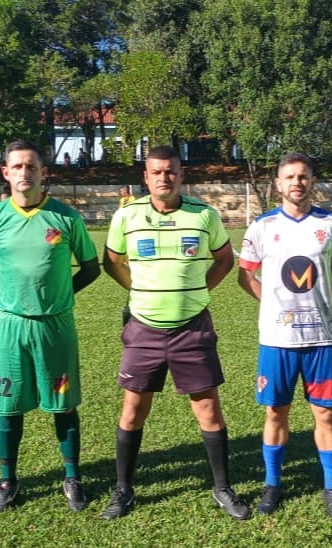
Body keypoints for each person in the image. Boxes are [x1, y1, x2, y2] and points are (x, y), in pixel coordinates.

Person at [100, 145, 251, 521]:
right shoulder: (127, 216)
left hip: (192, 327)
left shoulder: (203, 215)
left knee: (208, 409)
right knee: (133, 409)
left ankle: (222, 488)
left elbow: (224, 259)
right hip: (143, 329)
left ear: (181, 175)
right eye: (156, 172)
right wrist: (138, 291)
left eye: (170, 171)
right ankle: (123, 489)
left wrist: (198, 291)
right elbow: (112, 261)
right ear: (146, 177)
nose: (164, 177)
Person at [0, 141, 100, 515]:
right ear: (5, 173)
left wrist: (58, 296)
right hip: (10, 328)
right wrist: (12, 297)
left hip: (55, 326)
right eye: (17, 166)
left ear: (43, 172)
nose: (24, 172)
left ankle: (72, 477)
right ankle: (7, 482)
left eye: (31, 166)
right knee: (8, 406)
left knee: (63, 403)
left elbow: (90, 268)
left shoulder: (66, 218)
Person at [237, 152, 332, 517]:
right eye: (289, 176)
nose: (297, 182)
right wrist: (273, 306)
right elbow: (245, 277)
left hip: (322, 339)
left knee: (326, 414)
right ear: (278, 183)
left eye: (303, 176)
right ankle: (272, 485)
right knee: (276, 412)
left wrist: (319, 303)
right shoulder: (261, 226)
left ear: (312, 181)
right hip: (278, 340)